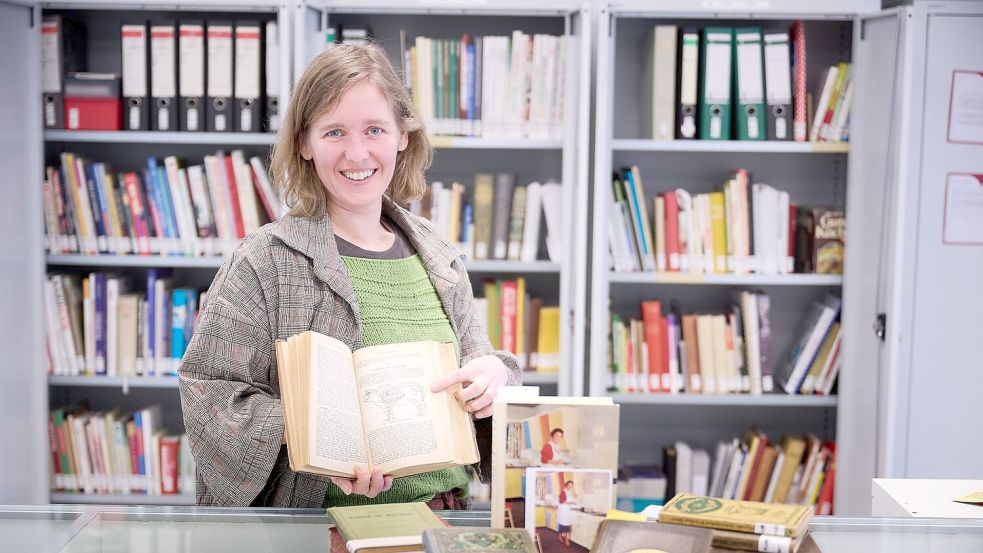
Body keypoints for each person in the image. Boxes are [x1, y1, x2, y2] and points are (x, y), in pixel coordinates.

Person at [178, 43, 521, 508]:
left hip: (443, 521)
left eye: (374, 129)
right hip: (319, 532)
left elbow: (481, 379)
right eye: (334, 131)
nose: (356, 153)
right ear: (304, 143)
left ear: (403, 135)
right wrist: (315, 432)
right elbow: (209, 395)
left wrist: (498, 374)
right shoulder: (264, 261)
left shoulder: (437, 253)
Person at [556, 480, 578, 546]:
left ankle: (559, 536)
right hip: (563, 511)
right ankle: (566, 540)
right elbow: (561, 501)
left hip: (567, 511)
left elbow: (570, 498)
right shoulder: (563, 492)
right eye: (569, 485)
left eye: (571, 486)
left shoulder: (569, 492)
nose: (570, 486)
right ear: (566, 485)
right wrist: (571, 502)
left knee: (564, 525)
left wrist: (574, 498)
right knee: (565, 525)